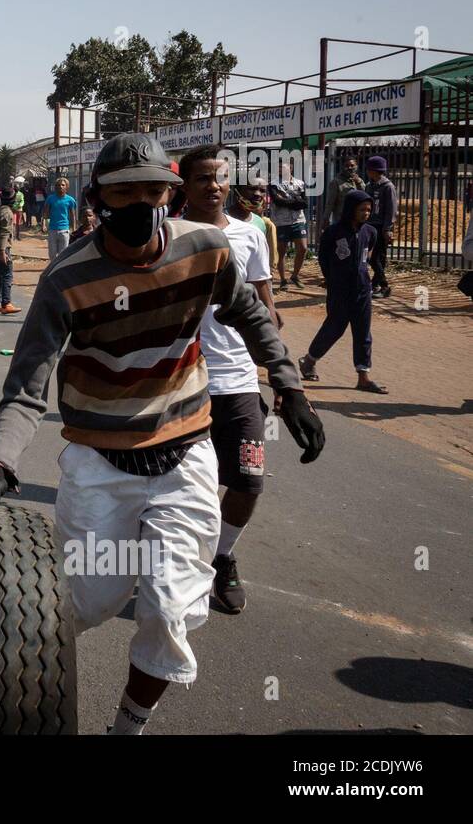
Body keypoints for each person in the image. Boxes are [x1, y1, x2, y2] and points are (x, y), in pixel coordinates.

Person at [0, 132, 323, 735]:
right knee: (85, 603)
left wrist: (288, 385)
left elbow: (251, 312)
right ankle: (3, 659)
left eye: (151, 191)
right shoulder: (65, 277)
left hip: (185, 455)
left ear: (170, 194)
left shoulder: (206, 249)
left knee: (170, 611)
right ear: (96, 200)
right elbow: (27, 383)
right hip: (100, 463)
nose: (138, 204)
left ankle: (126, 728)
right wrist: (0, 465)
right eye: (121, 193)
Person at [180, 144, 279, 614]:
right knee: (181, 486)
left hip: (239, 382)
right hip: (180, 383)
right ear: (185, 184)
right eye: (202, 178)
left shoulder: (250, 236)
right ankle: (178, 563)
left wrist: (283, 376)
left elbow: (264, 305)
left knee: (248, 481)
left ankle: (221, 556)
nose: (213, 186)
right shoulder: (166, 234)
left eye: (220, 177)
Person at [299, 190, 388, 394]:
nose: (366, 213)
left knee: (363, 332)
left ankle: (363, 377)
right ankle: (309, 361)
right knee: (334, 328)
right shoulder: (333, 232)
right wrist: (331, 279)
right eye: (361, 209)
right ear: (350, 209)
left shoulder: (370, 233)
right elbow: (323, 258)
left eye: (368, 209)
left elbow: (369, 257)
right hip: (339, 289)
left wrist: (376, 278)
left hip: (362, 289)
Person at [268, 159, 309, 289]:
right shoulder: (273, 184)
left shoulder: (300, 183)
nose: (281, 170)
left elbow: (305, 203)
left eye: (284, 167)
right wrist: (295, 201)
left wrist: (287, 200)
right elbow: (278, 202)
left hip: (298, 220)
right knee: (281, 251)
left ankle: (295, 275)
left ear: (290, 168)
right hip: (281, 222)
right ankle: (283, 280)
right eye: (279, 168)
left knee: (303, 248)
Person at [362, 155, 396, 299]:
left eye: (369, 169)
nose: (368, 172)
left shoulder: (388, 187)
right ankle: (375, 285)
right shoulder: (369, 186)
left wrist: (387, 229)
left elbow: (391, 210)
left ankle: (384, 285)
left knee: (377, 258)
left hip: (381, 227)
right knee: (371, 258)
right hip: (369, 226)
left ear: (374, 171)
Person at [0, 181, 21, 315]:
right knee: (7, 275)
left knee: (0, 276)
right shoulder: (7, 213)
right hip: (2, 248)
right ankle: (6, 303)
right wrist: (3, 252)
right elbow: (4, 234)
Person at [319, 155, 364, 233]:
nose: (350, 168)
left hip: (357, 221)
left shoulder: (359, 181)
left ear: (356, 166)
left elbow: (365, 196)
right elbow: (330, 203)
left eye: (352, 165)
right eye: (347, 166)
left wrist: (358, 182)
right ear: (342, 167)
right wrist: (326, 219)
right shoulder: (336, 182)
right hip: (342, 221)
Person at [41, 176, 79, 263]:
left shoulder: (70, 200)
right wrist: (43, 224)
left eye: (62, 185)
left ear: (67, 187)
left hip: (64, 230)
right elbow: (45, 213)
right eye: (58, 185)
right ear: (55, 187)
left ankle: (60, 269)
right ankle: (53, 269)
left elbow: (73, 215)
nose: (60, 187)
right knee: (52, 254)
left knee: (63, 254)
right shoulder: (50, 199)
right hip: (52, 229)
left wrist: (74, 228)